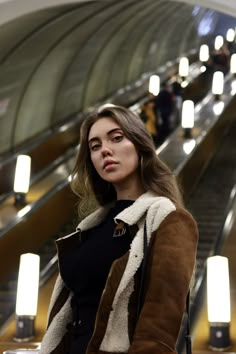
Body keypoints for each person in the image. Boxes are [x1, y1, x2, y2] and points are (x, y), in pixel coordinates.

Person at [39, 105, 198, 354]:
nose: (105, 150)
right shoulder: (94, 226)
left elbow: (159, 329)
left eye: (116, 138)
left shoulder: (169, 220)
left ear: (139, 144)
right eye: (95, 146)